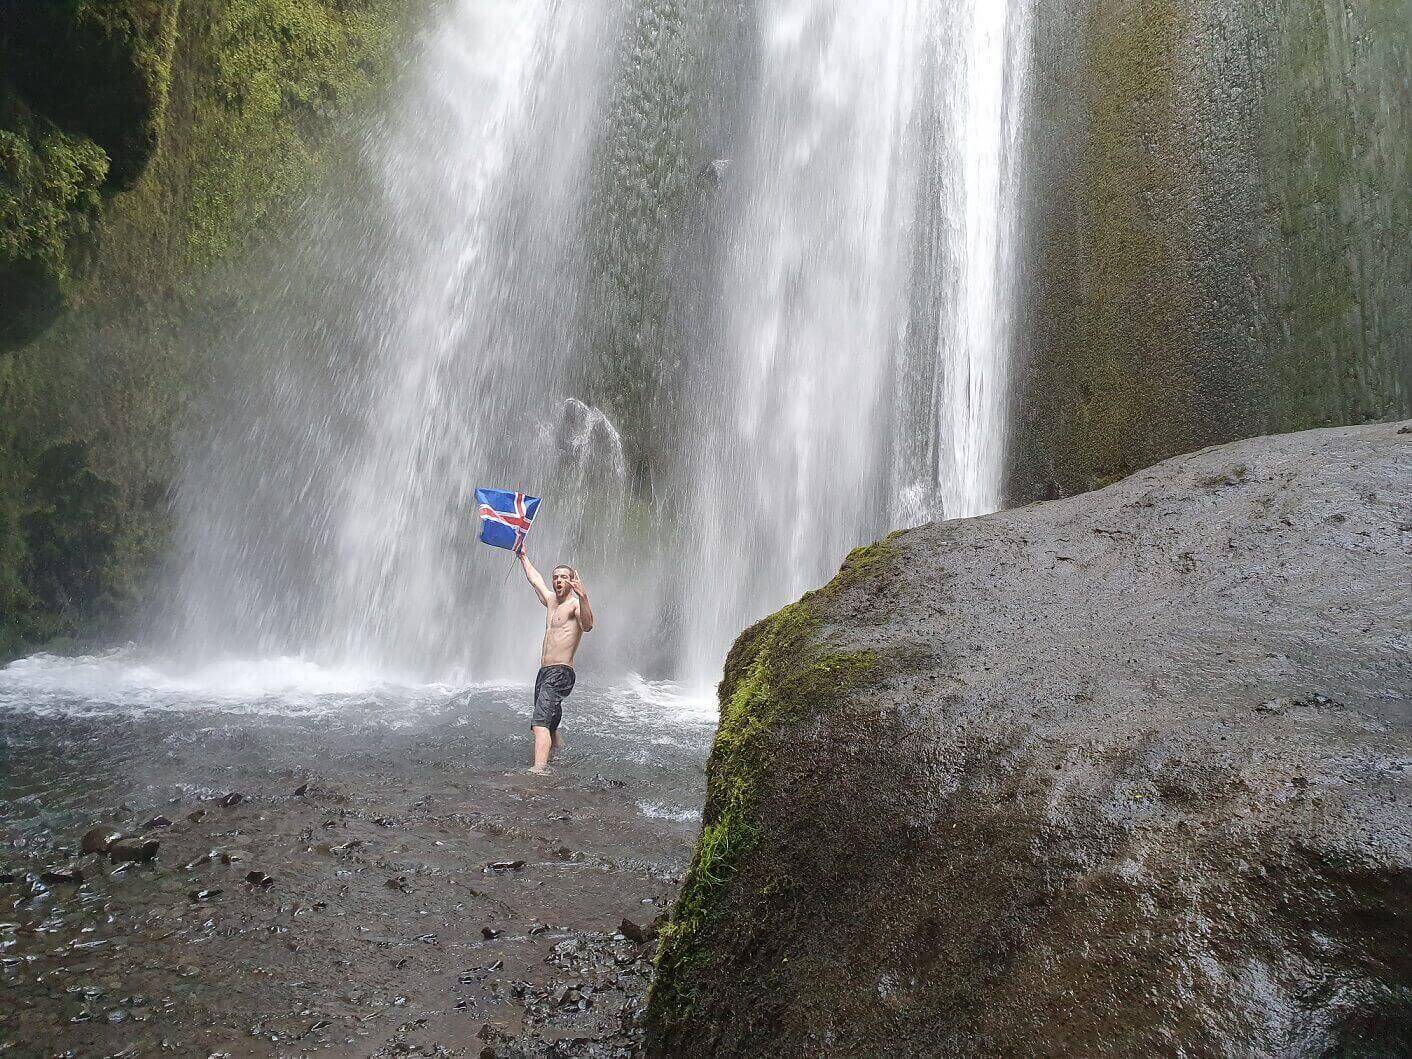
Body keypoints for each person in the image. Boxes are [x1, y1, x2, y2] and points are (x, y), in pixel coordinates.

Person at [516, 547, 594, 773]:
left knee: (539, 724)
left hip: (560, 672)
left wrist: (584, 596)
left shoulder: (575, 605)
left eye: (564, 577)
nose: (559, 581)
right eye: (556, 577)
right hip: (545, 672)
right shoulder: (550, 601)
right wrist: (523, 557)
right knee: (550, 725)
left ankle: (538, 771)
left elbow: (588, 626)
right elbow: (535, 579)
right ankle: (561, 757)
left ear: (572, 582)